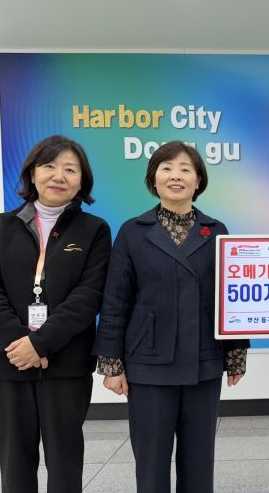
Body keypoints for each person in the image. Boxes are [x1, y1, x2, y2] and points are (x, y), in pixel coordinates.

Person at [92, 141, 249, 493]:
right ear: (154, 178)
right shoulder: (133, 231)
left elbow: (231, 296)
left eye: (185, 169)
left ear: (198, 181)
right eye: (166, 168)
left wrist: (236, 353)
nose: (175, 176)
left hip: (203, 362)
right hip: (148, 364)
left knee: (199, 463)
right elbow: (115, 301)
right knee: (151, 464)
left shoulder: (216, 230)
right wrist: (112, 364)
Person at [0, 135, 112, 493]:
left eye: (70, 169)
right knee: (15, 462)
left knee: (65, 461)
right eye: (49, 166)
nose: (59, 176)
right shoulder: (2, 226)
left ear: (82, 181)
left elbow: (89, 295)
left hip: (65, 362)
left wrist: (41, 343)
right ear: (33, 174)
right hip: (8, 362)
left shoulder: (94, 230)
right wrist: (19, 343)